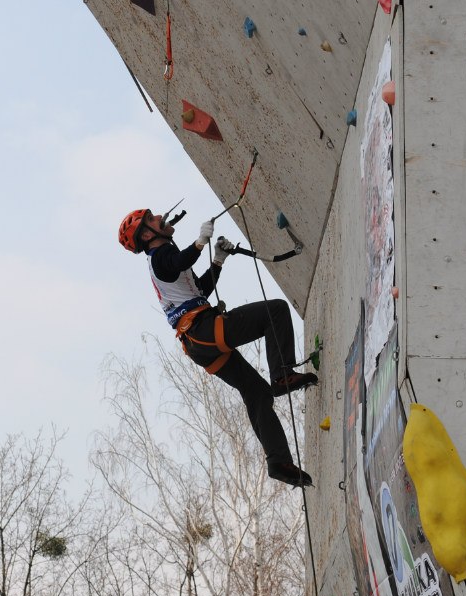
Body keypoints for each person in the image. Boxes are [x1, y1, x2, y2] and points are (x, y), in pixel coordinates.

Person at [118, 207, 317, 487]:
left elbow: (199, 289)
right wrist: (199, 243)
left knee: (257, 392)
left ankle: (278, 462)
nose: (159, 217)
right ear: (148, 234)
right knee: (276, 311)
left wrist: (218, 262)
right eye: (151, 219)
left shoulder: (166, 262)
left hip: (200, 344)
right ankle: (283, 375)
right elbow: (177, 261)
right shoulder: (160, 257)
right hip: (202, 332)